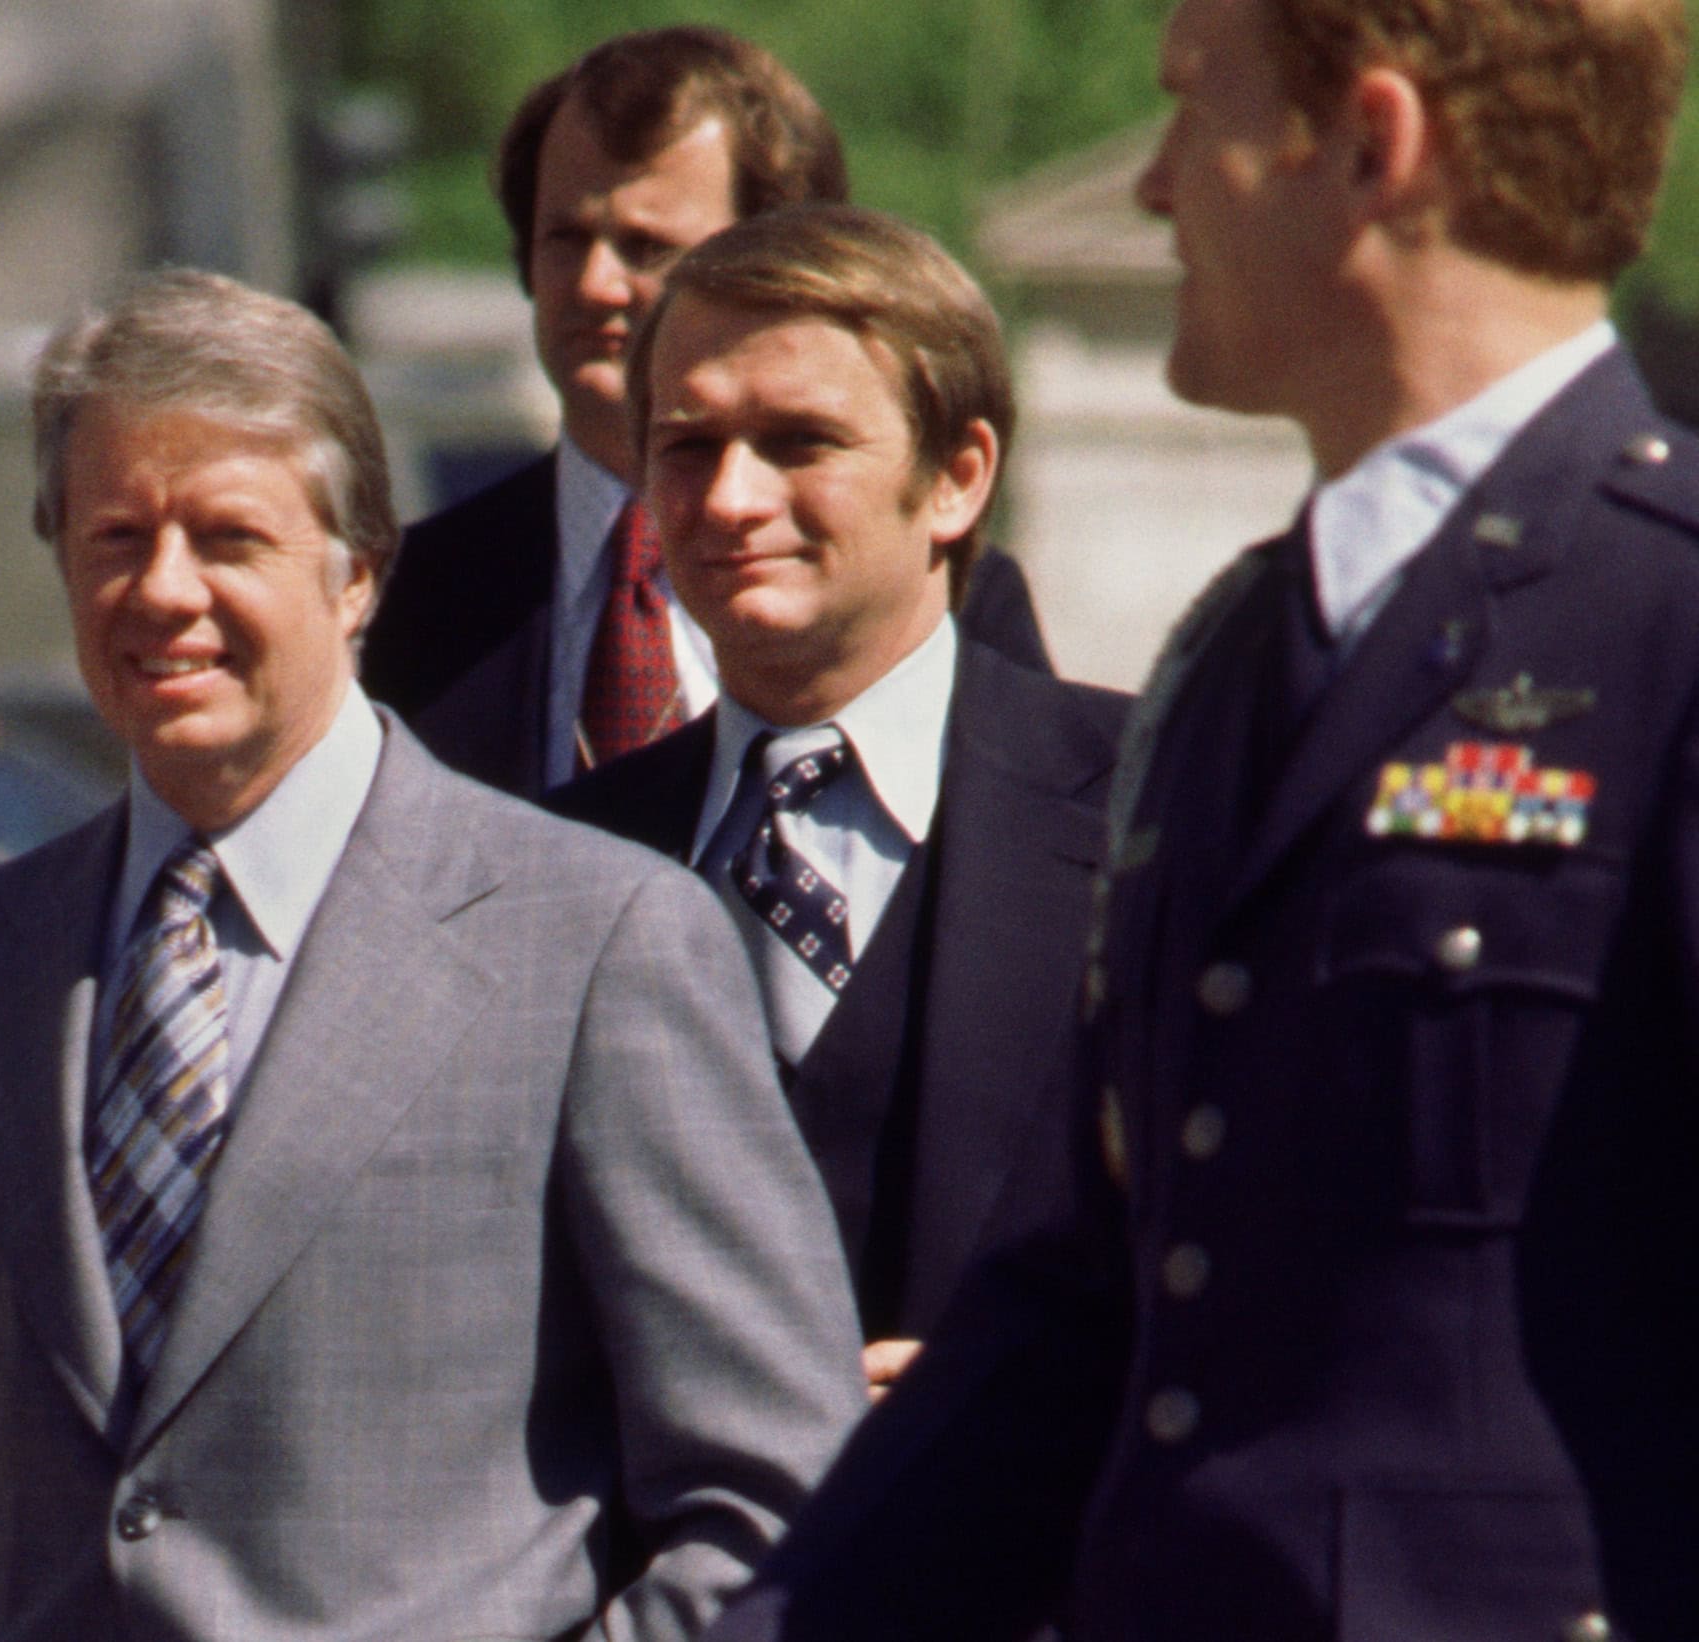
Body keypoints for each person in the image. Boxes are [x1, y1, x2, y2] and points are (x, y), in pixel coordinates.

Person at [705, 0, 1698, 1637]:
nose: (1156, 186)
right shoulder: (1234, 652)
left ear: (1367, 145)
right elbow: (1073, 1312)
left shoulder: (1663, 613)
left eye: (1189, 112)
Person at [0, 268, 868, 1642]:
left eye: (225, 535)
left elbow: (784, 1501)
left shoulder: (596, 940)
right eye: (116, 535)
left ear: (354, 574)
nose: (162, 590)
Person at [554, 205, 1126, 1396]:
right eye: (687, 445)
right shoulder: (551, 866)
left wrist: (1048, 1389)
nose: (727, 501)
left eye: (797, 442)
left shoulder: (1160, 811)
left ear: (957, 477)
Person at [359, 26, 1049, 801]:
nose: (595, 284)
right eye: (565, 239)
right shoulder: (411, 601)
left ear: (785, 269)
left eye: (647, 246)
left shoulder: (938, 589)